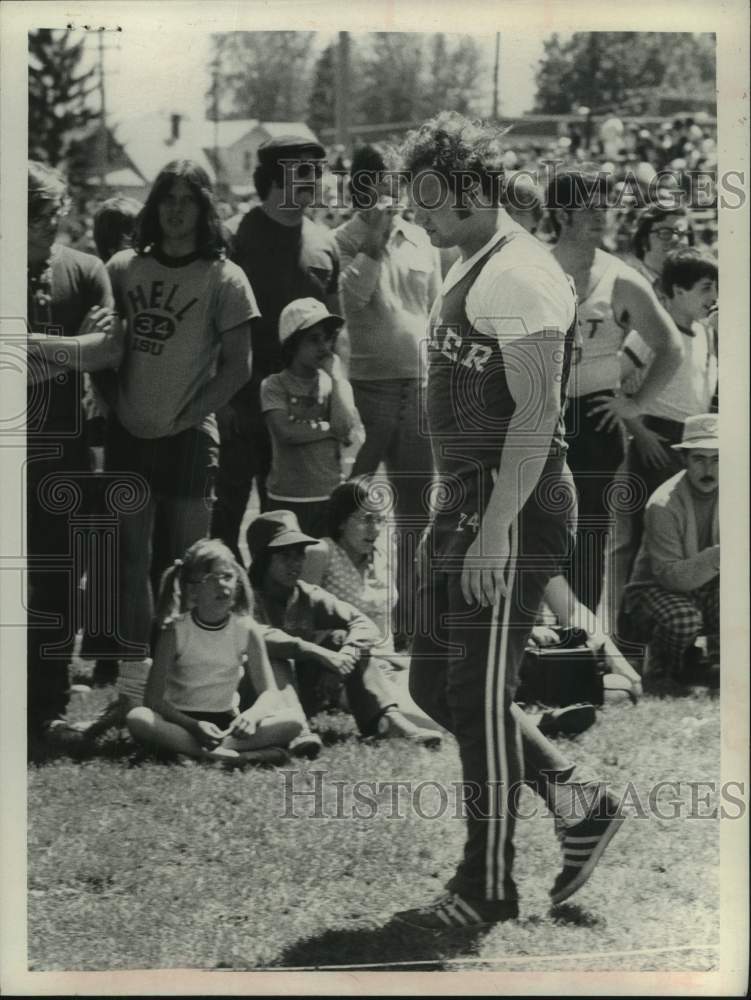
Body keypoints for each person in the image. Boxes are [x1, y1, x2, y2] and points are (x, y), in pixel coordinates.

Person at [391, 113, 625, 931]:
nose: (414, 212)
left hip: (511, 505)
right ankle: (578, 800)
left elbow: (536, 417)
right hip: (468, 499)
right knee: (431, 683)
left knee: (476, 692)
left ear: (466, 189)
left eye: (425, 197)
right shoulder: (472, 259)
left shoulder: (521, 273)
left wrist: (493, 530)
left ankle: (485, 885)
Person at [106, 159, 258, 691]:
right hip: (130, 434)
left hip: (190, 438)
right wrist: (115, 403)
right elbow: (103, 349)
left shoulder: (225, 277)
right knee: (131, 561)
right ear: (153, 206)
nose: (176, 210)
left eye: (187, 200)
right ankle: (133, 682)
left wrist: (191, 414)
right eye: (167, 199)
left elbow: (239, 367)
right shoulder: (123, 268)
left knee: (189, 566)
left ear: (204, 209)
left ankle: (187, 681)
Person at [547, 169, 685, 617]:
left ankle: (581, 637)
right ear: (562, 214)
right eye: (590, 208)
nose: (601, 216)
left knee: (589, 534)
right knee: (534, 529)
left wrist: (635, 404)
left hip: (594, 416)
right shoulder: (534, 268)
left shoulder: (619, 278)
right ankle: (531, 637)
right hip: (538, 413)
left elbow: (669, 346)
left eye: (604, 206)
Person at [26, 161, 121, 750]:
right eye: (37, 214)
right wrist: (74, 349)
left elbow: (109, 350)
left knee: (59, 583)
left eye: (53, 212)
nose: (50, 223)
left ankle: (47, 709)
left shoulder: (85, 269)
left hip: (66, 453)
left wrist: (38, 350)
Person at [334, 144, 440, 647]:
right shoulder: (340, 240)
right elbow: (351, 299)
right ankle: (346, 620)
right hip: (365, 389)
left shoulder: (421, 238)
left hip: (418, 387)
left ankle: (411, 626)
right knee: (349, 507)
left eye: (396, 182)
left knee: (417, 512)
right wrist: (373, 243)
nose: (391, 193)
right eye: (380, 182)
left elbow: (435, 311)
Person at [212, 134, 339, 556]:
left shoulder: (325, 243)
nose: (313, 180)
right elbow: (208, 327)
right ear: (272, 177)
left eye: (317, 172)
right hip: (239, 407)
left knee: (289, 534)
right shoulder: (232, 237)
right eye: (302, 171)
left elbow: (333, 335)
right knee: (223, 525)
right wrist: (218, 402)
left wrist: (335, 401)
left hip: (301, 413)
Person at [247, 511, 441, 747]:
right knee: (274, 656)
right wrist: (319, 653)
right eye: (285, 556)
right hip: (255, 698)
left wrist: (346, 653)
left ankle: (385, 720)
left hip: (302, 692)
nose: (295, 563)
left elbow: (362, 623)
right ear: (262, 559)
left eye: (299, 554)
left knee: (343, 639)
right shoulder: (245, 597)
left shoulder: (306, 594)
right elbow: (260, 635)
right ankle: (297, 731)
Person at [126, 539, 300, 764]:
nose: (222, 585)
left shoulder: (247, 629)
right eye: (211, 578)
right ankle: (234, 756)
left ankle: (196, 751)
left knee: (293, 721)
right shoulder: (175, 631)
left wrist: (252, 716)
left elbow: (270, 693)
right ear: (193, 589)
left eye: (227, 576)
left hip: (227, 724)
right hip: (181, 722)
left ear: (237, 583)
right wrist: (193, 726)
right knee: (138, 717)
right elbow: (153, 700)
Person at [613, 248, 718, 595]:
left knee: (682, 536)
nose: (713, 297)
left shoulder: (705, 333)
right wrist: (639, 432)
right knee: (640, 536)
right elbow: (613, 381)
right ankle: (626, 612)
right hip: (656, 441)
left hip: (694, 444)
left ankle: (670, 615)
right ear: (678, 291)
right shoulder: (651, 333)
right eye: (705, 288)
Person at [621, 414, 719, 681]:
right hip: (656, 589)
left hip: (709, 585)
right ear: (684, 459)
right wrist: (720, 555)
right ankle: (664, 664)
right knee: (683, 619)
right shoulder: (663, 504)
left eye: (717, 459)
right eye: (699, 459)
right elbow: (672, 577)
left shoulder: (738, 494)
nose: (708, 469)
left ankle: (718, 660)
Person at [261, 299, 363, 537]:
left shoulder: (335, 384)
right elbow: (285, 432)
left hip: (328, 495)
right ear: (292, 343)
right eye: (313, 339)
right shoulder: (274, 385)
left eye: (327, 338)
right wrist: (328, 429)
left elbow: (344, 428)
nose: (324, 347)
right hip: (286, 497)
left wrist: (336, 378)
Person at [624, 204, 693, 304]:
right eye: (665, 233)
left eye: (682, 234)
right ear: (643, 241)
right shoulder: (628, 283)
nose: (675, 239)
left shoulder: (695, 284)